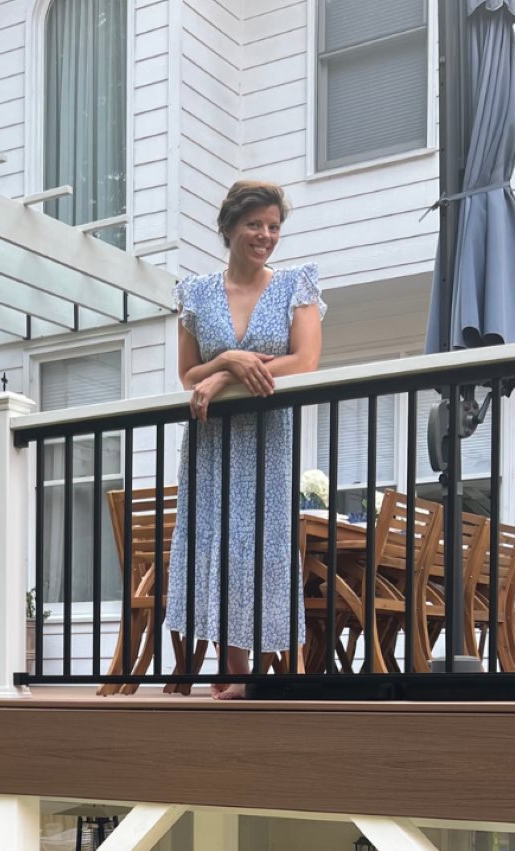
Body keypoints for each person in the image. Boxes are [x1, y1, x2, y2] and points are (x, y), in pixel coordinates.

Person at [165, 180, 326, 699]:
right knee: (213, 543)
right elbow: (188, 374)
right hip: (211, 443)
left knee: (259, 549)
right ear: (230, 227)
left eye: (274, 226)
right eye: (255, 224)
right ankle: (229, 672)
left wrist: (223, 378)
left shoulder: (294, 285)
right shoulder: (196, 293)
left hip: (266, 442)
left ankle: (265, 670)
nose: (266, 235)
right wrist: (226, 363)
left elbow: (304, 361)